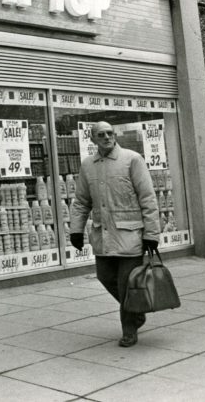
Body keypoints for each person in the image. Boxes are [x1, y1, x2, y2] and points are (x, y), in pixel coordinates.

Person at [69, 121, 160, 347]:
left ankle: (129, 330)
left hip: (130, 235)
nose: (107, 137)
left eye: (110, 133)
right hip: (103, 236)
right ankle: (137, 312)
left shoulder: (132, 159)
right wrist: (76, 230)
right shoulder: (88, 165)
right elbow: (81, 201)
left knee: (126, 284)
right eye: (101, 134)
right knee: (105, 276)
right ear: (93, 139)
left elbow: (147, 198)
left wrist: (151, 233)